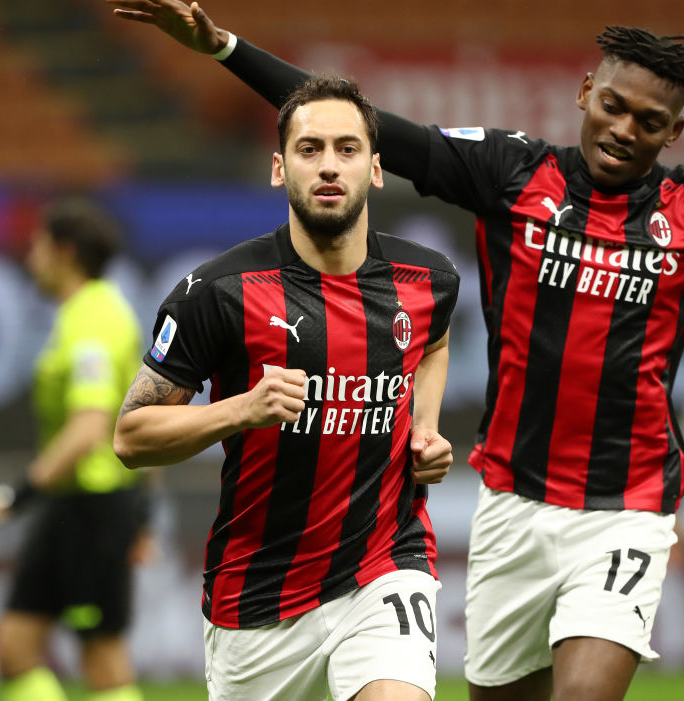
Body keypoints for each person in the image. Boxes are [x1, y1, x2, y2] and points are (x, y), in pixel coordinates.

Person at [106, 4, 684, 699]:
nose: (624, 129)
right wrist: (225, 47)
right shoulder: (513, 173)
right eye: (613, 106)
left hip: (627, 504)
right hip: (513, 502)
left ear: (674, 133)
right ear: (586, 92)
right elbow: (374, 131)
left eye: (650, 122)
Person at [112, 76, 460, 701]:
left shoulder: (427, 279)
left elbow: (433, 342)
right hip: (258, 596)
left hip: (385, 567)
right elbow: (132, 437)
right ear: (279, 168)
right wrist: (242, 409)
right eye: (309, 149)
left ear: (376, 169)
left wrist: (425, 427)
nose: (329, 165)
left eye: (348, 149)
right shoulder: (218, 293)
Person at [0, 198, 150, 701]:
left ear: (65, 251)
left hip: (94, 505)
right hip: (73, 505)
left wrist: (16, 495)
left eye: (38, 246)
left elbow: (89, 428)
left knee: (101, 656)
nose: (31, 258)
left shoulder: (93, 320)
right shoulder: (87, 313)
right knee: (13, 645)